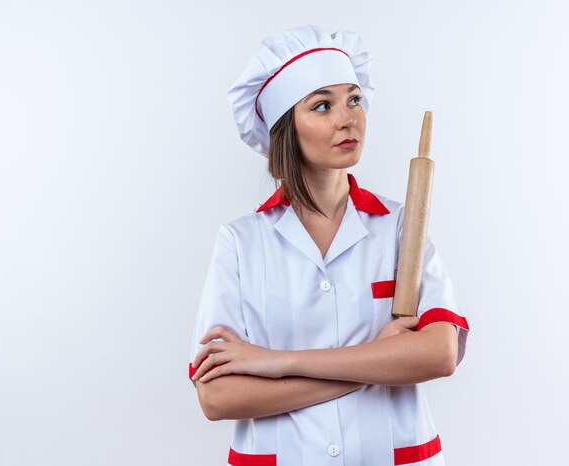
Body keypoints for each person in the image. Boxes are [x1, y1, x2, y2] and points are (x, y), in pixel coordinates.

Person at [188, 25, 470, 466]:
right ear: (286, 127)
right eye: (322, 105)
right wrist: (375, 364)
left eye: (354, 99)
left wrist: (277, 362)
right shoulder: (241, 242)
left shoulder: (399, 226)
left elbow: (440, 352)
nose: (349, 118)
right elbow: (218, 397)